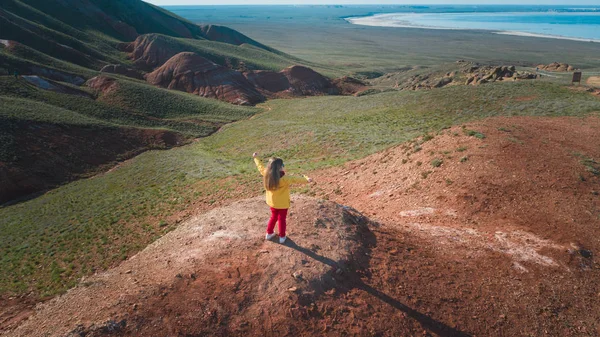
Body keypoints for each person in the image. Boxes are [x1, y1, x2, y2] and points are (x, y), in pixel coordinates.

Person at [253, 152, 312, 244]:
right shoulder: (285, 179)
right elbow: (296, 179)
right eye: (283, 165)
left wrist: (256, 158)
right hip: (283, 204)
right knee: (282, 219)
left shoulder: (266, 174)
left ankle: (269, 233)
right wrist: (306, 179)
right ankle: (282, 237)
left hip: (272, 202)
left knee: (273, 217)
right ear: (280, 167)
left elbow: (260, 167)